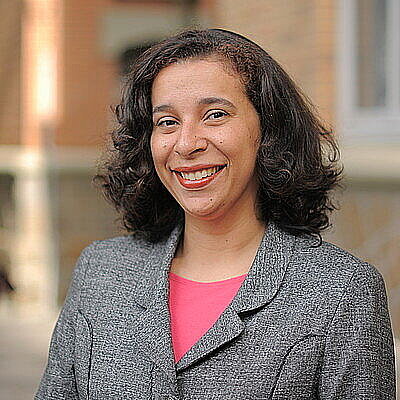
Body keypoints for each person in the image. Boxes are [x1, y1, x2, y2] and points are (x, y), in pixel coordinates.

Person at [35, 29, 396, 399]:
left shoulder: (342, 292)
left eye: (215, 115)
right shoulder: (99, 271)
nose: (186, 144)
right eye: (167, 121)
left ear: (268, 129)